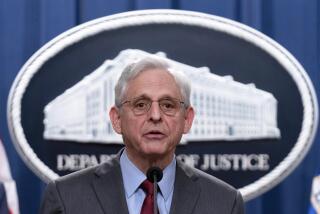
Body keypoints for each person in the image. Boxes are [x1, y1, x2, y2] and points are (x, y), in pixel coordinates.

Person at [40, 56, 245, 214]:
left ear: (187, 120)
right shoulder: (66, 198)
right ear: (117, 119)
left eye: (167, 105)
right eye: (140, 105)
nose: (155, 116)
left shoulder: (224, 203)